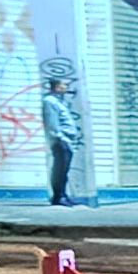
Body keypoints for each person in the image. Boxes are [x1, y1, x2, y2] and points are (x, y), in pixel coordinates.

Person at [39, 68, 84, 206]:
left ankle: (63, 194)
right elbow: (52, 123)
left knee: (64, 169)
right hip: (60, 141)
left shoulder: (58, 101)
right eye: (64, 85)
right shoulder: (50, 101)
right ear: (57, 87)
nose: (66, 87)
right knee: (60, 169)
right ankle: (58, 196)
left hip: (66, 140)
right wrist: (60, 138)